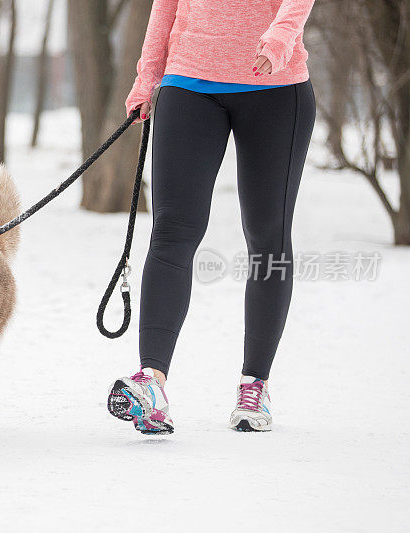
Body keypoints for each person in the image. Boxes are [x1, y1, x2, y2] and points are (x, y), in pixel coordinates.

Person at [106, 0, 316, 434]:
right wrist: (148, 77)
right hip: (188, 82)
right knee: (171, 231)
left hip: (275, 86)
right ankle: (152, 383)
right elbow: (165, 6)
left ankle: (254, 384)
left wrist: (281, 36)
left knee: (267, 236)